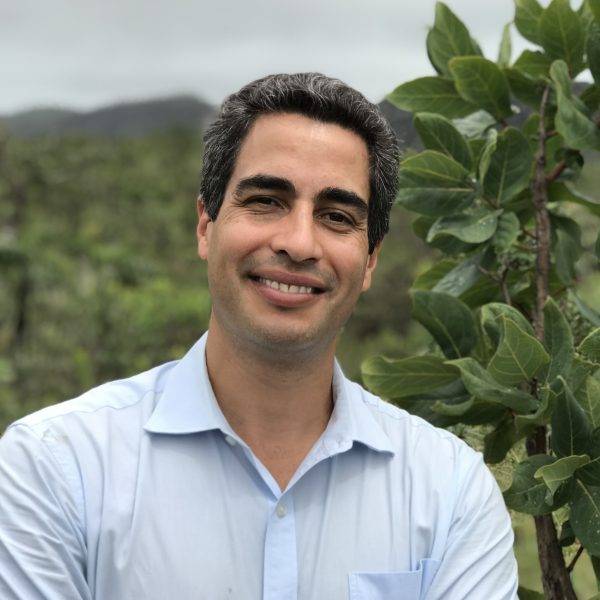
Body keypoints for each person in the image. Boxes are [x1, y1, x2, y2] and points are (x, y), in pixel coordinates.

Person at [0, 73, 518, 599]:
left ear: (370, 261)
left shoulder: (449, 492)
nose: (299, 243)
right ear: (206, 225)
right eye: (266, 201)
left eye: (337, 216)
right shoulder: (57, 468)